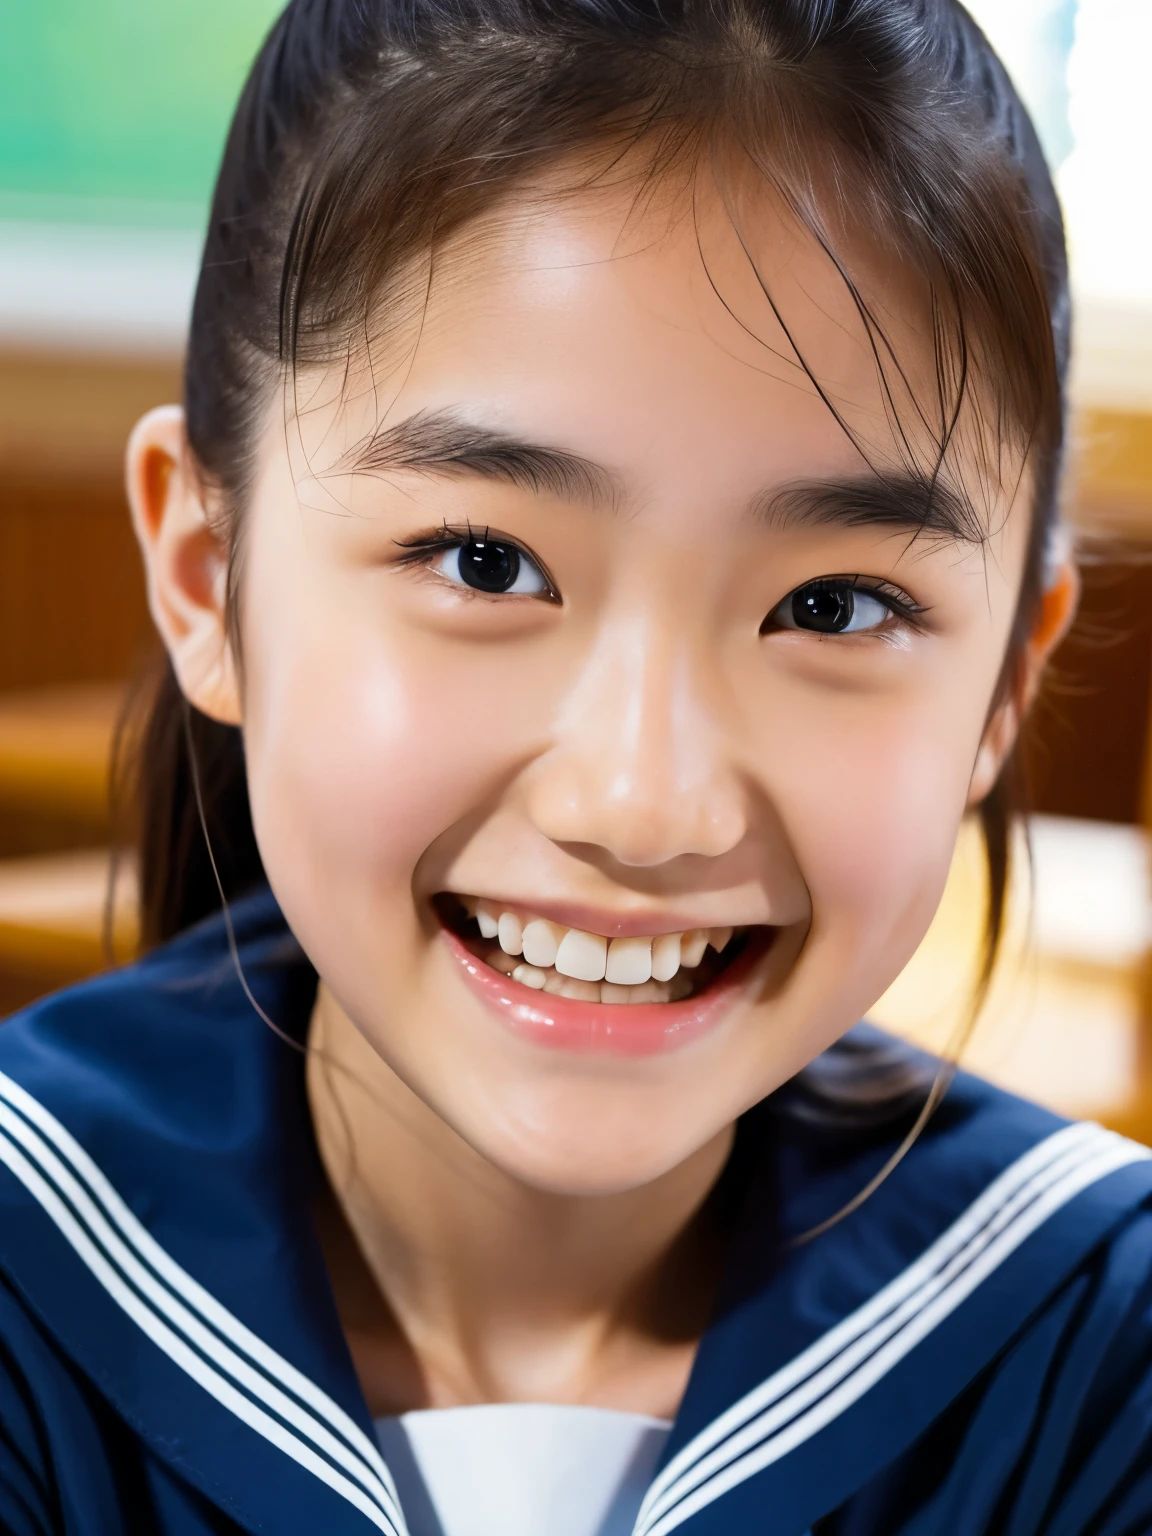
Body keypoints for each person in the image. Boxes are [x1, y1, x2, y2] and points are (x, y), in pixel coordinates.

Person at [1, 1, 1150, 1532]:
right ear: (211, 577)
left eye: (836, 606)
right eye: (485, 562)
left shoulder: (1095, 1347)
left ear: (1008, 672)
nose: (643, 802)